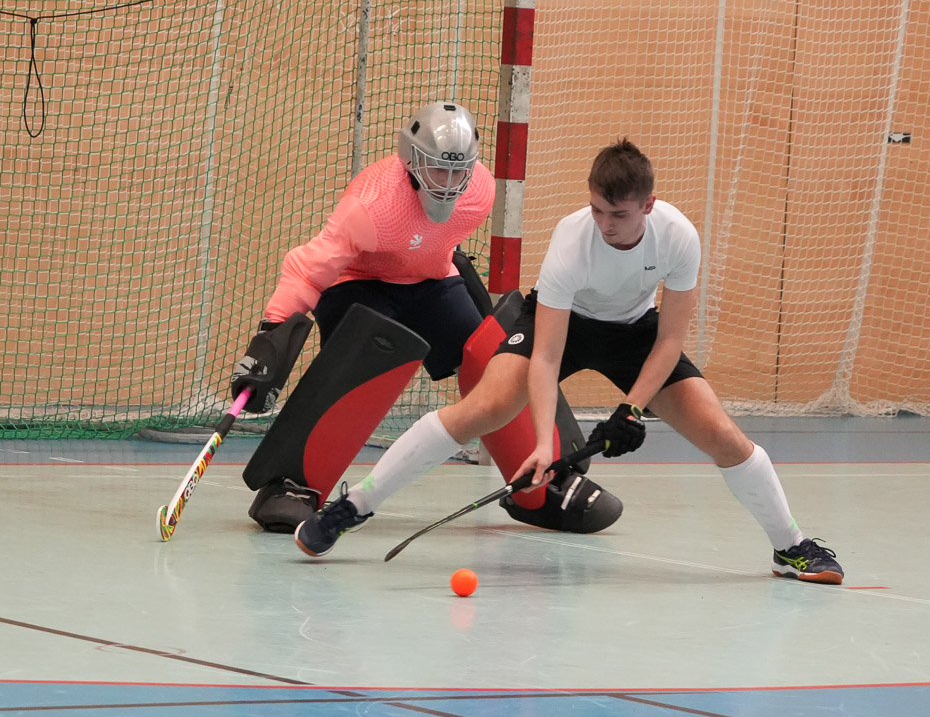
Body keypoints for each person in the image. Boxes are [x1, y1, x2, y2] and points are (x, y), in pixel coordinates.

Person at [295, 137, 845, 586]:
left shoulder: (679, 238)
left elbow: (670, 339)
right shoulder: (572, 241)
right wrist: (541, 445)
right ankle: (354, 507)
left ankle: (790, 546)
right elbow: (548, 355)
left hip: (636, 334)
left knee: (723, 435)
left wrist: (631, 410)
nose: (606, 224)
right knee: (482, 409)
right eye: (598, 209)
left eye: (619, 214)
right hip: (560, 324)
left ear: (648, 206)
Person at [229, 101, 621, 535]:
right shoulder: (372, 205)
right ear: (411, 161)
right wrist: (272, 335)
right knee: (360, 365)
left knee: (498, 359)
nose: (450, 184)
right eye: (438, 170)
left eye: (459, 172)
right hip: (357, 283)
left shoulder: (481, 191)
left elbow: (438, 241)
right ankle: (291, 485)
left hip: (431, 282)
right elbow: (309, 269)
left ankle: (543, 486)